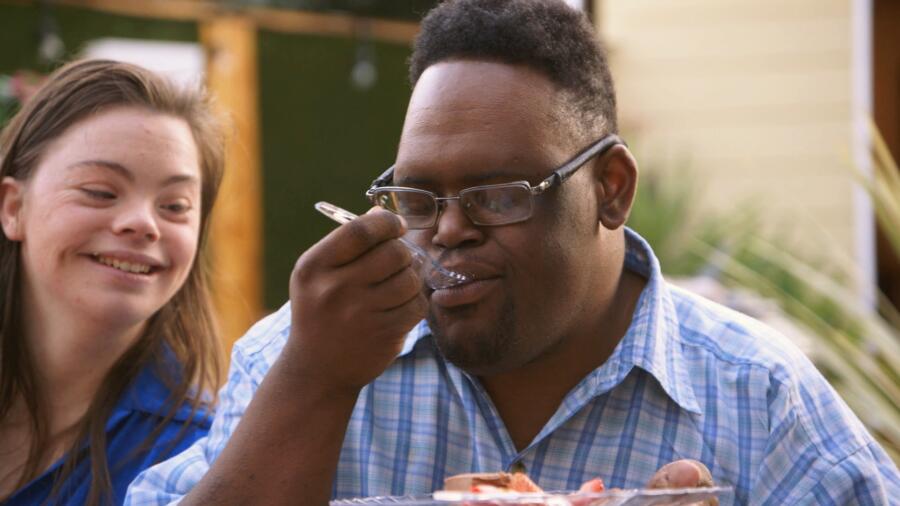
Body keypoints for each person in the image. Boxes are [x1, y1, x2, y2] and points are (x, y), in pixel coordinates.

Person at [127, 1, 900, 505]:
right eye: (420, 199)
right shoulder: (304, 362)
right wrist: (312, 384)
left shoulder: (756, 397)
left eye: (500, 195)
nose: (450, 231)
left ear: (611, 188)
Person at [0, 59, 225, 505]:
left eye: (175, 206)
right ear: (12, 208)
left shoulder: (202, 460)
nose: (143, 223)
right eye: (101, 191)